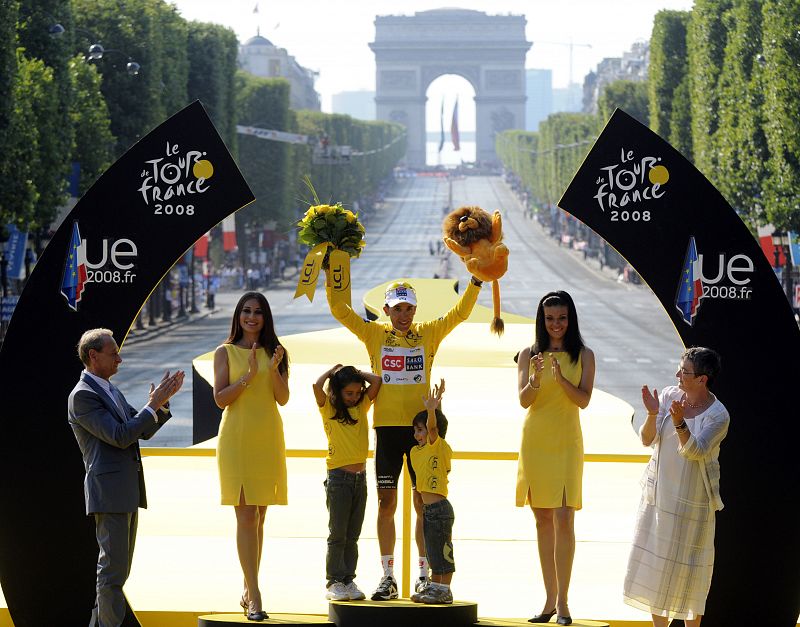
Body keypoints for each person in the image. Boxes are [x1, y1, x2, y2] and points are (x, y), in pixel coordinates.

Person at [326, 273, 482, 600]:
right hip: (385, 431)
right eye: (397, 309)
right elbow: (341, 311)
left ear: (415, 309)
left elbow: (460, 313)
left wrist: (476, 281)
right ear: (385, 309)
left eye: (408, 308)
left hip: (419, 433)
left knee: (422, 504)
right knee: (386, 503)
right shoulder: (373, 334)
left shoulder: (427, 334)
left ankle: (424, 575)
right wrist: (333, 268)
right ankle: (388, 576)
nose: (403, 315)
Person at [68, 328, 184, 627]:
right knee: (112, 573)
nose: (119, 359)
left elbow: (141, 429)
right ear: (93, 356)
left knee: (118, 571)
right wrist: (151, 404)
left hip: (126, 490)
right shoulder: (82, 396)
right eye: (113, 353)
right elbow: (120, 436)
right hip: (109, 492)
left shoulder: (110, 389)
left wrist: (162, 403)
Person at [623, 347, 729, 627]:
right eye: (679, 368)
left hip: (694, 503)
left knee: (691, 571)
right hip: (659, 497)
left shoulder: (719, 415)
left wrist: (680, 422)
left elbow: (695, 450)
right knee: (657, 568)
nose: (678, 374)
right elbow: (647, 440)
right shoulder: (670, 395)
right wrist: (651, 413)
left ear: (703, 379)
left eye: (685, 371)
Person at [516, 291, 595, 626]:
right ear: (541, 320)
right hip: (536, 442)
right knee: (542, 520)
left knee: (565, 519)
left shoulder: (585, 355)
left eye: (562, 318)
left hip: (566, 443)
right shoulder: (528, 354)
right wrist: (534, 380)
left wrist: (561, 379)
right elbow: (523, 401)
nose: (556, 324)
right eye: (550, 318)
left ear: (570, 318)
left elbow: (583, 400)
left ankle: (563, 602)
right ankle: (549, 601)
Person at [213, 292, 290, 622]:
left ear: (265, 317)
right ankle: (255, 594)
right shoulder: (224, 352)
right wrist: (247, 375)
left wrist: (272, 370)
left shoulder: (278, 351)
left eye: (258, 312)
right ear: (238, 316)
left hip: (268, 438)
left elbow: (283, 398)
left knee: (259, 517)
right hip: (237, 439)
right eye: (246, 311)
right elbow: (220, 399)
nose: (252, 316)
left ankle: (248, 587)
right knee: (245, 517)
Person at [313, 364, 382, 601]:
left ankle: (348, 580)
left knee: (353, 534)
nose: (354, 397)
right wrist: (333, 372)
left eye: (357, 392)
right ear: (338, 392)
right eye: (348, 393)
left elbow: (377, 382)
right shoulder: (329, 409)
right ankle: (334, 581)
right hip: (338, 479)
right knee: (338, 533)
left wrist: (357, 375)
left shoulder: (363, 405)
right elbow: (316, 385)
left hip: (359, 479)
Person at [409, 380, 455, 605]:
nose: (417, 434)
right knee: (432, 551)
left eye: (420, 429)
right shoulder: (416, 452)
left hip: (440, 509)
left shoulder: (438, 445)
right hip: (428, 510)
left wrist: (433, 409)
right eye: (415, 430)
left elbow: (436, 429)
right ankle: (434, 585)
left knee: (443, 550)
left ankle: (444, 588)